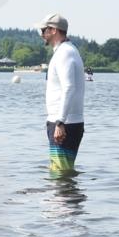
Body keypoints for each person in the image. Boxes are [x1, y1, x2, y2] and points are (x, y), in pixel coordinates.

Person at [37, 13, 85, 173]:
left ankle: (62, 198)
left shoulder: (65, 53)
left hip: (65, 124)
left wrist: (60, 122)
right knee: (62, 173)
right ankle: (65, 196)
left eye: (43, 30)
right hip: (65, 122)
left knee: (60, 174)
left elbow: (69, 87)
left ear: (53, 30)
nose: (41, 34)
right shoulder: (66, 51)